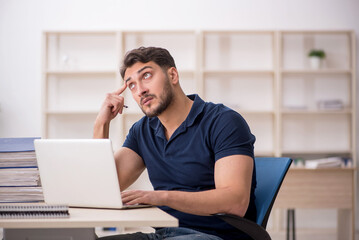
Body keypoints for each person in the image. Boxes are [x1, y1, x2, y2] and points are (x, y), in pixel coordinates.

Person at [94, 46, 256, 240]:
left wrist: (161, 197)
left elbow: (235, 202)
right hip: (166, 234)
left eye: (146, 76)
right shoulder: (143, 130)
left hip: (216, 236)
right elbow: (105, 186)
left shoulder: (223, 121)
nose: (140, 90)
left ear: (173, 75)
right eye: (132, 85)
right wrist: (101, 123)